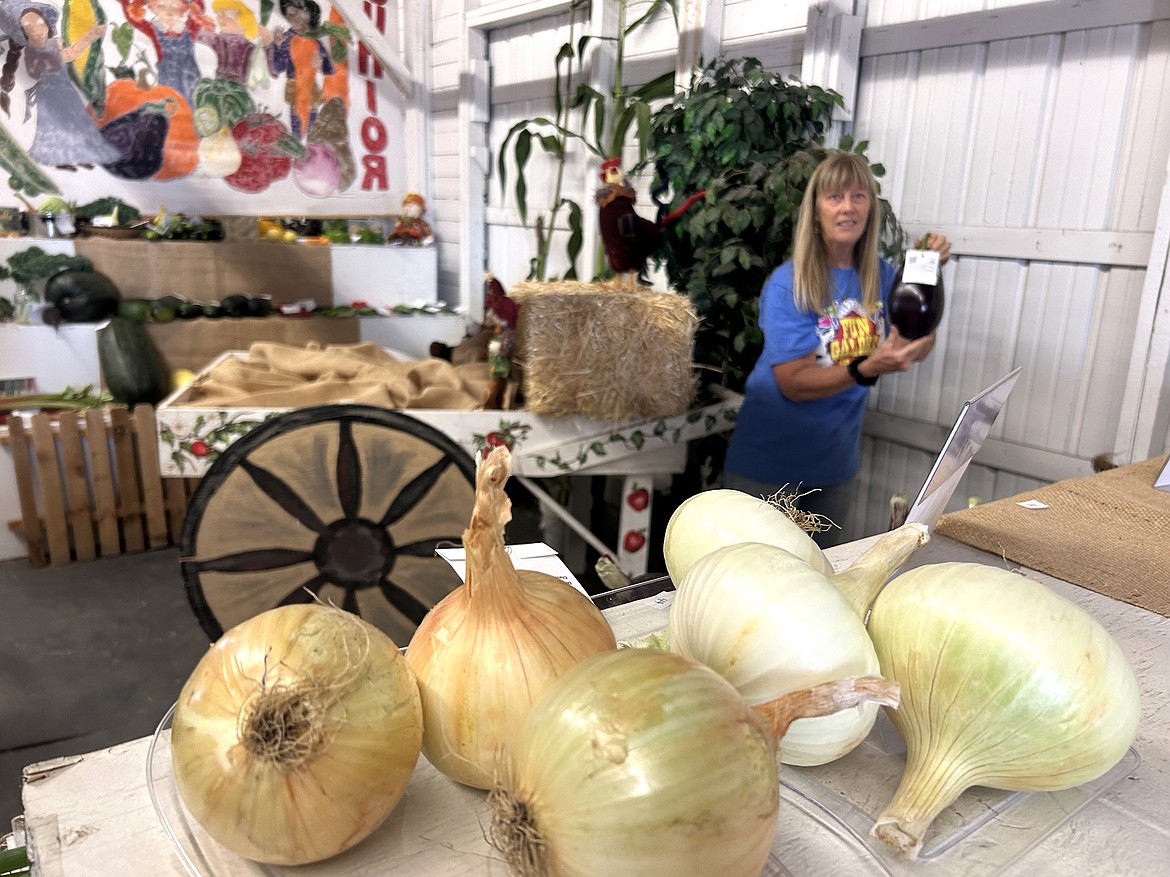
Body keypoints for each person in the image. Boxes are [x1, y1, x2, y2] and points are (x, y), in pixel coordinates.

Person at [721, 150, 951, 547]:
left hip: (834, 465)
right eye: (835, 197)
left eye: (858, 196)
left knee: (820, 583)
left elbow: (914, 342)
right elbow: (793, 382)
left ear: (870, 208)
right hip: (768, 465)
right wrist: (867, 367)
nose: (848, 207)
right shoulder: (788, 283)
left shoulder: (882, 276)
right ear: (816, 210)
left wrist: (927, 268)